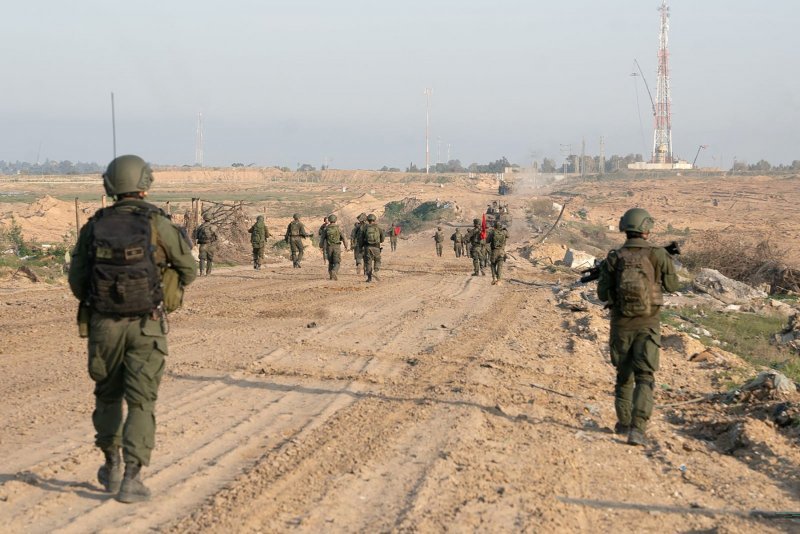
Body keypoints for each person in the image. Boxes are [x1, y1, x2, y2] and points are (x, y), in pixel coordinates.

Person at [68, 155, 197, 503]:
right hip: (147, 325)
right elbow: (189, 269)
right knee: (141, 403)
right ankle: (132, 479)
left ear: (110, 185)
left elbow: (77, 282)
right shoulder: (158, 223)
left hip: (103, 326)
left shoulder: (94, 225)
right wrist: (166, 291)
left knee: (108, 396)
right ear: (145, 183)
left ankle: (110, 466)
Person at [597, 208, 679, 446]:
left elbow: (602, 294)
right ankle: (638, 429)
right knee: (645, 376)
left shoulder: (614, 257)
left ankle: (623, 424)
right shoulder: (658, 255)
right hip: (648, 324)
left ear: (625, 227)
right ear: (646, 228)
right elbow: (673, 286)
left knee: (623, 377)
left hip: (620, 324)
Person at [320, 214, 349, 280]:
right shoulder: (338, 228)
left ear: (329, 220)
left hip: (329, 247)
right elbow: (344, 238)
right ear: (335, 220)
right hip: (336, 247)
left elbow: (322, 239)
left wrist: (321, 246)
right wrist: (346, 246)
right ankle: (334, 271)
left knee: (330, 262)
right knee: (337, 262)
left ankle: (331, 275)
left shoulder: (326, 229)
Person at [359, 213, 384, 282]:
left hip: (367, 247)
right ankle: (376, 271)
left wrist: (361, 247)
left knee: (368, 262)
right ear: (374, 220)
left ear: (368, 220)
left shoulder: (364, 228)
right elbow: (382, 239)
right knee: (377, 260)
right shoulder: (378, 228)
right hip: (376, 247)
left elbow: (361, 239)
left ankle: (369, 278)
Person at [487, 221, 509, 285]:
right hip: (502, 252)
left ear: (494, 226)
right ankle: (499, 280)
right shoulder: (504, 232)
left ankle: (494, 278)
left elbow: (487, 241)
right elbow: (508, 236)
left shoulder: (492, 232)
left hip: (494, 251)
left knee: (493, 265)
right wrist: (505, 229)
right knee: (500, 266)